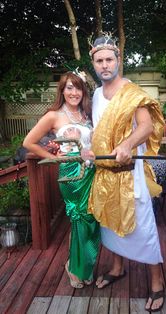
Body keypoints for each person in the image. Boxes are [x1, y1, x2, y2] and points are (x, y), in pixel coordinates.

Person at [87, 33, 166, 312]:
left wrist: (127, 144)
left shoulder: (132, 91)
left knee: (143, 225)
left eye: (109, 59)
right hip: (105, 172)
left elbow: (146, 126)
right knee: (109, 221)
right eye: (99, 61)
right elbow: (97, 131)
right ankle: (117, 267)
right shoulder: (96, 94)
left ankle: (157, 282)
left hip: (130, 173)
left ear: (118, 60)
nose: (105, 65)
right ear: (93, 64)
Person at [23, 70, 100, 288]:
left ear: (83, 90)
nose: (74, 92)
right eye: (69, 87)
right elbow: (29, 142)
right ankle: (74, 268)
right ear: (62, 91)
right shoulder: (54, 116)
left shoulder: (87, 115)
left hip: (91, 173)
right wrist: (54, 158)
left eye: (77, 87)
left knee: (92, 221)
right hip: (71, 176)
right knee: (80, 220)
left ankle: (84, 265)